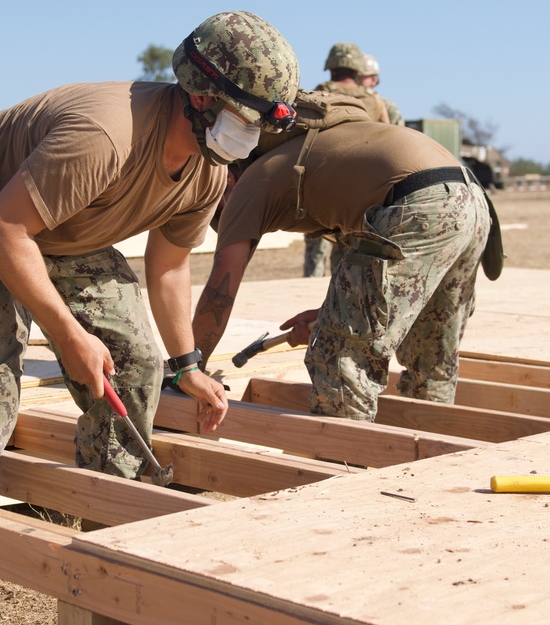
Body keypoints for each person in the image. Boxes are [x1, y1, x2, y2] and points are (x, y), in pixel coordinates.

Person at [0, 11, 300, 624]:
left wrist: (187, 364)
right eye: (244, 119)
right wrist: (68, 335)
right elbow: (4, 231)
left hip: (64, 228)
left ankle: (102, 553)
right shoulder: (105, 136)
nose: (249, 136)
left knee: (137, 363)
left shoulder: (207, 167)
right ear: (200, 97)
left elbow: (168, 266)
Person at [192, 114, 491, 425]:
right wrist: (330, 315)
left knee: (340, 357)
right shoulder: (310, 157)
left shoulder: (250, 184)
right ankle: (428, 453)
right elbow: (373, 285)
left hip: (417, 204)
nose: (224, 214)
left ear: (226, 178)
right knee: (430, 350)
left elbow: (219, 294)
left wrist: (189, 369)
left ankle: (344, 463)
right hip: (472, 200)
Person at [303, 42, 390, 277]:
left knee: (318, 241)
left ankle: (313, 282)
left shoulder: (321, 91)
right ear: (357, 71)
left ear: (331, 70)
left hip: (325, 182)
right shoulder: (375, 101)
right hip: (364, 187)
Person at [361, 53, 404, 126]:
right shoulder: (345, 100)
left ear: (374, 80)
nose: (356, 79)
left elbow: (399, 134)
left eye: (362, 76)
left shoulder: (387, 106)